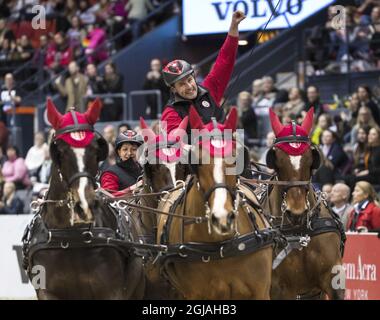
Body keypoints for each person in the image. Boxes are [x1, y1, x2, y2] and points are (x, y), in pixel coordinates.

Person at [161, 10, 246, 135]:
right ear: (173, 89)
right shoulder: (170, 113)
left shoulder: (209, 89)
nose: (189, 86)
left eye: (189, 80)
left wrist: (233, 27)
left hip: (227, 150)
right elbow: (174, 145)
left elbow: (225, 60)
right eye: (182, 84)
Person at [100, 130, 143, 196]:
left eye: (134, 149)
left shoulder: (145, 170)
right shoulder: (110, 174)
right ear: (119, 152)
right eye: (125, 149)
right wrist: (131, 189)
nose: (129, 153)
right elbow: (108, 198)